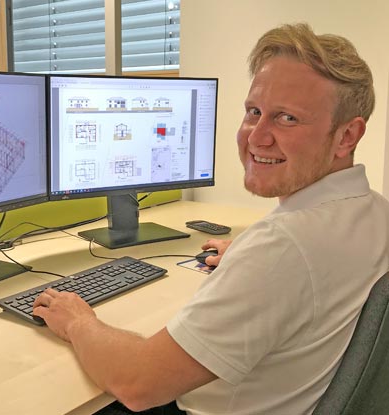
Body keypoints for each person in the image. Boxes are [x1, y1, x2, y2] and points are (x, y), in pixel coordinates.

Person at [33, 23, 389, 415]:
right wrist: (248, 257)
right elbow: (309, 271)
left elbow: (138, 384)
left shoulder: (284, 247)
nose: (256, 137)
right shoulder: (374, 213)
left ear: (347, 136)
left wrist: (77, 321)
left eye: (287, 118)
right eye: (254, 112)